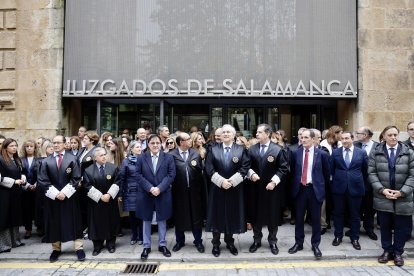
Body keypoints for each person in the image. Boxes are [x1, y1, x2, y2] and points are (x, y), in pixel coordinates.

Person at [368, 125, 414, 267]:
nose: (393, 137)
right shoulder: (376, 152)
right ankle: (387, 251)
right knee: (385, 226)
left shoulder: (409, 152)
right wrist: (382, 190)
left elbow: (413, 175)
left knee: (401, 227)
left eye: (395, 134)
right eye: (390, 135)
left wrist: (403, 192)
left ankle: (398, 252)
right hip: (383, 197)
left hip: (403, 197)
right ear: (383, 136)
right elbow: (372, 173)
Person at [204, 124, 250, 257]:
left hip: (234, 189)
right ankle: (216, 244)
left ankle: (230, 242)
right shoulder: (213, 149)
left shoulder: (241, 149)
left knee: (232, 214)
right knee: (216, 216)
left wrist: (232, 182)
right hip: (217, 188)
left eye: (228, 132)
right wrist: (221, 182)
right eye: (223, 132)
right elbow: (209, 167)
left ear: (234, 135)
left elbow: (245, 167)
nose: (225, 134)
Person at [37, 135, 84, 262]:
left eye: (58, 142)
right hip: (53, 198)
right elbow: (42, 180)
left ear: (64, 143)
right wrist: (56, 193)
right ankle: (56, 249)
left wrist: (64, 192)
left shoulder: (73, 159)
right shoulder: (46, 161)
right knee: (54, 221)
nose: (55, 145)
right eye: (54, 143)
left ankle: (79, 248)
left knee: (73, 220)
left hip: (69, 196)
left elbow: (76, 177)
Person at [247, 124, 289, 255]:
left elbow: (283, 168)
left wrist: (274, 182)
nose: (257, 134)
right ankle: (256, 240)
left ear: (267, 134)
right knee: (256, 215)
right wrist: (251, 174)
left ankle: (272, 241)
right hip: (255, 188)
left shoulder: (278, 149)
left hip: (271, 189)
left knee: (272, 216)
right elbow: (246, 165)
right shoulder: (251, 149)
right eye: (257, 132)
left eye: (259, 132)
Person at [288, 129, 330, 259]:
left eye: (306, 137)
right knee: (299, 218)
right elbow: (292, 172)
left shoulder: (322, 154)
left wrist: (322, 190)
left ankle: (315, 244)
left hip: (314, 190)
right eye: (301, 137)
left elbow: (326, 174)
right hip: (300, 190)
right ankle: (298, 243)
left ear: (313, 139)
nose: (303, 139)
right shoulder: (295, 153)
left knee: (316, 220)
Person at [136, 134, 176, 261]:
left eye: (157, 143)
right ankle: (146, 246)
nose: (155, 145)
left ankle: (162, 244)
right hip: (146, 193)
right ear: (148, 145)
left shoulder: (168, 157)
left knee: (162, 219)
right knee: (146, 219)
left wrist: (159, 188)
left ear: (161, 144)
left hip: (162, 193)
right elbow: (137, 175)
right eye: (152, 143)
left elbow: (171, 175)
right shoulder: (142, 158)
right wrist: (150, 188)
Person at [330, 131, 368, 250]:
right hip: (339, 188)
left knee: (355, 215)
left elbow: (365, 170)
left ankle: (355, 238)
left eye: (347, 138)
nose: (344, 141)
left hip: (356, 188)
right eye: (342, 139)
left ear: (352, 139)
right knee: (338, 213)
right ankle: (338, 236)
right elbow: (331, 170)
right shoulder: (335, 152)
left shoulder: (361, 152)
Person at [170, 132, 205, 253]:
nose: (190, 140)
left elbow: (201, 172)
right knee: (180, 216)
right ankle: (180, 241)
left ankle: (198, 241)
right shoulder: (171, 155)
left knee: (196, 216)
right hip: (178, 192)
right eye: (188, 139)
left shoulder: (195, 153)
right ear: (181, 142)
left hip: (194, 191)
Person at [83, 147, 121, 256]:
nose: (104, 156)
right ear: (95, 158)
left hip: (110, 201)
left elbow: (117, 182)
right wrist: (100, 196)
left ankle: (111, 244)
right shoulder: (88, 170)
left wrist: (109, 195)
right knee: (96, 223)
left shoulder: (113, 168)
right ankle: (97, 246)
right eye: (101, 155)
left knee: (111, 221)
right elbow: (87, 186)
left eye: (105, 154)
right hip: (96, 203)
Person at [353, 126, 379, 240]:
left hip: (372, 183)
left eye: (358, 133)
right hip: (356, 182)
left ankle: (369, 228)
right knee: (356, 207)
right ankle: (355, 229)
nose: (356, 135)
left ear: (365, 135)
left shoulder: (378, 146)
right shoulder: (354, 145)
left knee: (370, 207)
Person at [0, 138, 26, 253]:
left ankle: (15, 241)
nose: (14, 148)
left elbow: (21, 172)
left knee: (14, 216)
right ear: (5, 148)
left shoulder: (16, 159)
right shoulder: (0, 160)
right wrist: (13, 181)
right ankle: (4, 245)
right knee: (5, 218)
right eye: (11, 146)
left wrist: (23, 177)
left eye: (15, 145)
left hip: (15, 194)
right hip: (4, 194)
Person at [120, 141, 143, 245]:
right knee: (132, 215)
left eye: (140, 147)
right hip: (130, 191)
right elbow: (122, 178)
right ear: (131, 149)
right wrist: (121, 193)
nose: (139, 149)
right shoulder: (126, 161)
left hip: (143, 190)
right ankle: (134, 235)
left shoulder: (145, 159)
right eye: (137, 147)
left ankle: (142, 236)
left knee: (142, 215)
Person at [20, 140, 39, 239]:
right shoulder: (20, 160)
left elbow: (41, 174)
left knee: (37, 208)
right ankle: (28, 229)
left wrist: (35, 184)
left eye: (31, 146)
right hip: (25, 189)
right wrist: (27, 185)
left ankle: (39, 228)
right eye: (27, 146)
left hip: (37, 189)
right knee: (27, 209)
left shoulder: (39, 160)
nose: (29, 148)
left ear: (35, 148)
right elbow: (20, 173)